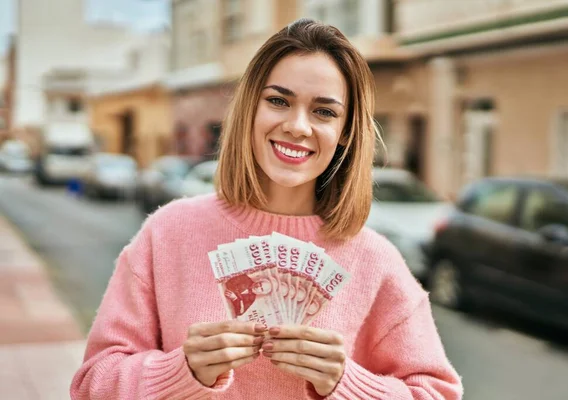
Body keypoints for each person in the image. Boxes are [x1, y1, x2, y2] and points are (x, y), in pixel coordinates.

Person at [71, 18, 463, 399]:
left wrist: (347, 384)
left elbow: (436, 393)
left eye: (323, 111)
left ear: (345, 133)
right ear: (251, 110)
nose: (297, 125)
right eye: (278, 101)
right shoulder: (168, 232)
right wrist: (180, 372)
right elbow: (92, 384)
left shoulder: (376, 261)